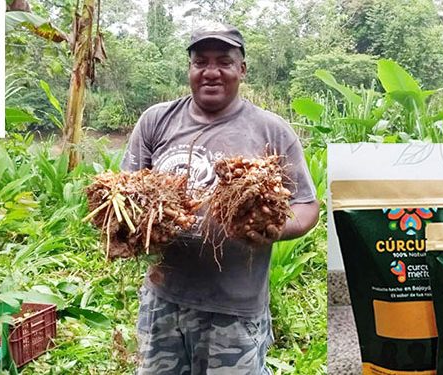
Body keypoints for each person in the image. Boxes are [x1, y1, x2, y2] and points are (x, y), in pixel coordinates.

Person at [122, 23, 320, 374]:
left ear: (241, 70)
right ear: (190, 69)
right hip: (163, 301)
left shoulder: (272, 131)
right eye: (201, 62)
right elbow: (127, 189)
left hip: (234, 310)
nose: (211, 72)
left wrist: (274, 227)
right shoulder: (156, 121)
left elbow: (306, 205)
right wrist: (129, 229)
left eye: (224, 62)